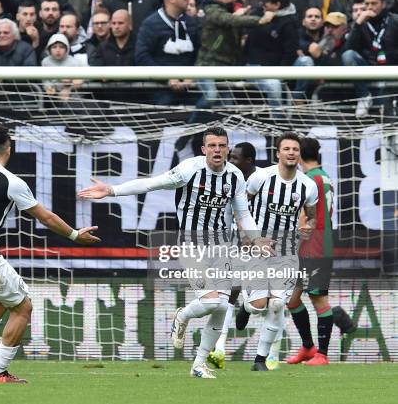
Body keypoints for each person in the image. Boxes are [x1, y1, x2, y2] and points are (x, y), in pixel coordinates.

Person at [78, 127, 273, 379]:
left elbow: (243, 213)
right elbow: (150, 184)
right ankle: (182, 315)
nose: (217, 150)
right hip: (192, 245)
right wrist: (113, 190)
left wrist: (256, 239)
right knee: (212, 301)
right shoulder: (189, 170)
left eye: (221, 146)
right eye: (212, 146)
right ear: (204, 149)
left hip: (222, 247)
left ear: (227, 148)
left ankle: (199, 365)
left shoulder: (235, 176)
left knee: (222, 308)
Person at [0, 125, 100, 383]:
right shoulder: (11, 181)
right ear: (8, 150)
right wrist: (76, 235)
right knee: (23, 307)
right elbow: (45, 217)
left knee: (3, 299)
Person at [235, 132, 318, 372]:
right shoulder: (260, 177)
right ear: (278, 153)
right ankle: (246, 307)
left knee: (278, 303)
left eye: (295, 149)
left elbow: (311, 218)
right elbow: (241, 208)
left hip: (287, 251)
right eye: (287, 149)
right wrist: (248, 237)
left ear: (299, 154)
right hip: (257, 248)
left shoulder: (308, 185)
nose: (291, 153)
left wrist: (307, 227)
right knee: (259, 304)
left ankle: (260, 360)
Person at [285, 137, 357, 366]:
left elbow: (305, 216)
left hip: (314, 247)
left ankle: (322, 355)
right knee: (292, 300)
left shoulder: (309, 179)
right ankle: (308, 347)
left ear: (299, 155)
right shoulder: (323, 176)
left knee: (319, 300)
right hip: (314, 245)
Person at [206, 141, 260, 370]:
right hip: (236, 240)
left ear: (248, 161)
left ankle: (247, 309)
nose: (230, 160)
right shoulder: (228, 177)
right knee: (230, 290)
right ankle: (218, 349)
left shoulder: (261, 180)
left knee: (264, 302)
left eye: (235, 157)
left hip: (265, 240)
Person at [135, 0, 200, 106]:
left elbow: (200, 52)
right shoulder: (150, 24)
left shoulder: (192, 23)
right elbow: (142, 56)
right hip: (159, 88)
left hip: (190, 86)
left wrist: (192, 76)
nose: (188, 0)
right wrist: (166, 78)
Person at [242, 0, 299, 117]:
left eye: (267, 2)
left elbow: (290, 51)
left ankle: (297, 100)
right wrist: (261, 21)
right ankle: (277, 123)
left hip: (276, 67)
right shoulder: (257, 14)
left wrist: (281, 72)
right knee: (273, 84)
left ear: (277, 5)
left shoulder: (288, 23)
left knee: (305, 62)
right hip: (255, 66)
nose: (263, 4)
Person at [341, 0, 398, 116]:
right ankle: (364, 97)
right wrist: (358, 24)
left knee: (387, 113)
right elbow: (347, 51)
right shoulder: (361, 23)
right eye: (367, 4)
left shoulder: (395, 21)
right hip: (369, 69)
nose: (369, 7)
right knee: (348, 55)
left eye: (374, 3)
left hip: (393, 71)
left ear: (383, 4)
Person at [41, 33, 85, 99]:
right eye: (54, 47)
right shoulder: (45, 62)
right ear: (49, 49)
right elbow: (45, 80)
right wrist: (49, 87)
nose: (58, 50)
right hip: (51, 96)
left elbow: (80, 80)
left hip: (72, 97)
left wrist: (70, 83)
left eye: (61, 47)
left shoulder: (73, 62)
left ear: (67, 49)